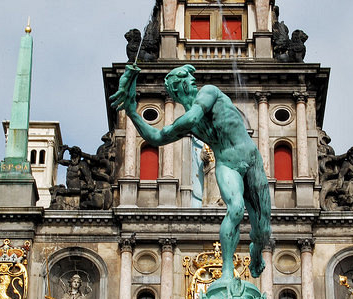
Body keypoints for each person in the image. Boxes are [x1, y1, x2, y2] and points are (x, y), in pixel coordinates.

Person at [111, 64, 271, 280]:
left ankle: (256, 251)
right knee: (235, 208)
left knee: (263, 231)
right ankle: (226, 272)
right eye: (187, 78)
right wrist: (131, 112)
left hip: (251, 160)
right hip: (226, 163)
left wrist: (172, 128)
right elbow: (156, 138)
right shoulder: (189, 122)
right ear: (178, 88)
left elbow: (191, 118)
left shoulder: (209, 92)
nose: (193, 81)